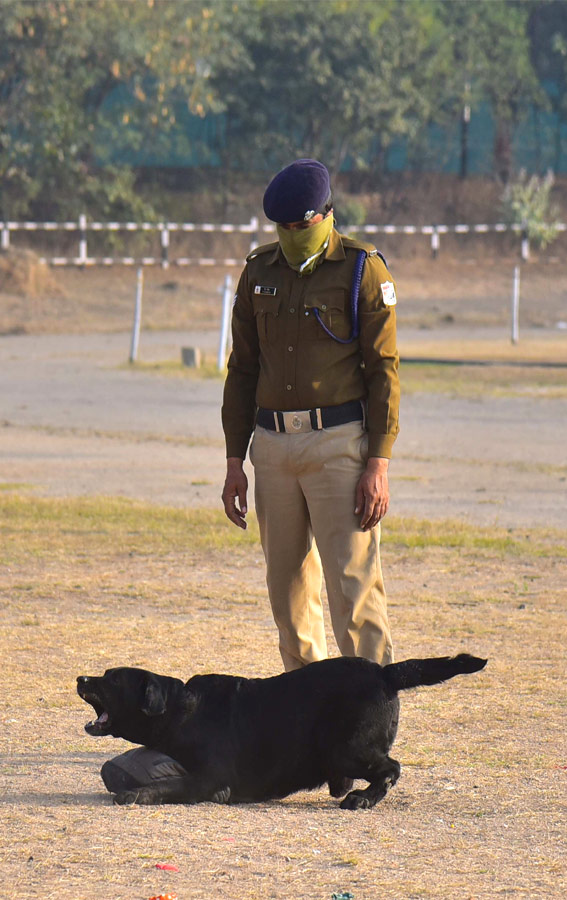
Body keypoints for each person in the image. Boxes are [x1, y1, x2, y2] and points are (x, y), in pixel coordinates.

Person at [221, 158, 399, 672]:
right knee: (289, 592)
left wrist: (378, 463)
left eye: (304, 225)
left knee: (353, 591)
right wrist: (236, 461)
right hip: (273, 449)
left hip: (339, 444)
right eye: (285, 227)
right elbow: (242, 372)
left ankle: (368, 722)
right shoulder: (259, 272)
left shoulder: (363, 270)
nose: (295, 235)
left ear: (327, 214)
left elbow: (383, 371)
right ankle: (307, 720)